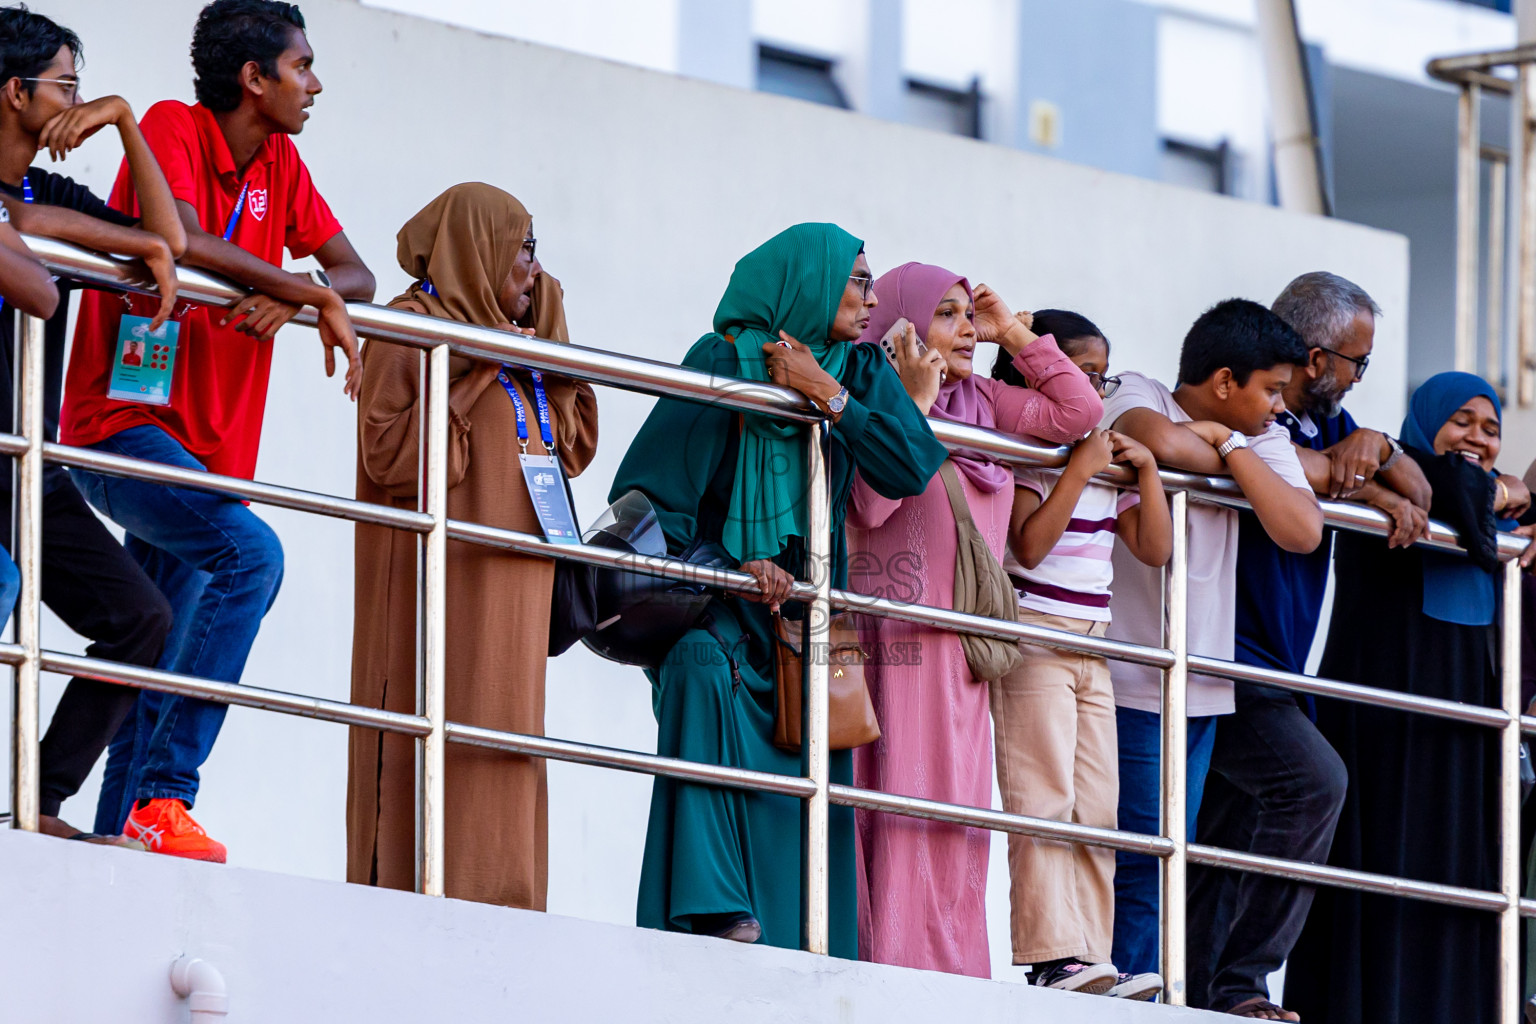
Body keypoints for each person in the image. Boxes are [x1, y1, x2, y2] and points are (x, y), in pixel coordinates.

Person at [59, 0, 375, 862]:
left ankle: (123, 836)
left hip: (210, 455)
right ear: (254, 79)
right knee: (253, 557)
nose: (315, 83)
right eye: (302, 66)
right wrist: (307, 293)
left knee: (160, 646)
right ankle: (167, 796)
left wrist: (299, 287)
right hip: (122, 426)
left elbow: (359, 273)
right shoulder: (172, 126)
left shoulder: (282, 160)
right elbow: (185, 238)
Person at [609, 223, 947, 956]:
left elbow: (911, 466)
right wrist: (739, 560)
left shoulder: (855, 371)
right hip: (723, 605)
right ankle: (710, 909)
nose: (869, 295)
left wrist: (827, 395)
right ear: (808, 282)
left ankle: (802, 940)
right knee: (698, 667)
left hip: (805, 619)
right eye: (856, 280)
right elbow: (650, 496)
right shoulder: (723, 360)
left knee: (811, 757)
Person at [1187, 273, 1433, 1020]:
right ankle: (1240, 983)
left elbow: (1418, 495)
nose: (1362, 376)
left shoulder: (1333, 420)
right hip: (1220, 658)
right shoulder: (1252, 416)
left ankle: (1209, 997)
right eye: (1358, 361)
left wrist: (1381, 449)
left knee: (1225, 846)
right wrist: (1358, 486)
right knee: (1314, 783)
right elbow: (1302, 481)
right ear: (1318, 359)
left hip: (1277, 668)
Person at [844, 269, 1101, 978]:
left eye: (967, 315)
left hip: (964, 648)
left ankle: (955, 972)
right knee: (902, 801)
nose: (964, 329)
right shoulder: (870, 395)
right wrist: (914, 406)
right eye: (946, 314)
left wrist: (1012, 331)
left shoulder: (982, 401)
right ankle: (897, 965)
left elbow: (1077, 414)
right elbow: (867, 506)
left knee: (960, 815)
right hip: (897, 638)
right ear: (900, 324)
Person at [348, 183, 598, 908]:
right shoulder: (411, 325)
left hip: (516, 583)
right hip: (441, 585)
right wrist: (475, 371)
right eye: (523, 249)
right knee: (439, 722)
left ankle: (508, 896)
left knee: (508, 735)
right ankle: (421, 884)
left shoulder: (515, 336)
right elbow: (392, 460)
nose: (534, 268)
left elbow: (575, 442)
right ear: (481, 250)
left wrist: (537, 325)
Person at [1287, 373, 1534, 1024]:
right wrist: (1516, 489)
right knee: (1379, 895)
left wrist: (1513, 495)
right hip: (1385, 741)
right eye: (1462, 420)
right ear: (1427, 423)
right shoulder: (1396, 471)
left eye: (1491, 428)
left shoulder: (1498, 521)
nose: (1477, 438)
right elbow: (1450, 487)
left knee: (1463, 901)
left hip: (1467, 751)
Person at [0, 4, 186, 846]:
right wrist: (62, 239)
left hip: (30, 468)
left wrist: (121, 119)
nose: (74, 99)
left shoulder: (45, 189)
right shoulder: (27, 205)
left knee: (141, 617)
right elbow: (35, 271)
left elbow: (165, 238)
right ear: (15, 93)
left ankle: (38, 798)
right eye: (66, 86)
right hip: (3, 458)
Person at [1100, 299, 1322, 986]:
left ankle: (1149, 991)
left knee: (1172, 855)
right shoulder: (1139, 390)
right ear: (1226, 382)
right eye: (1272, 390)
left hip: (1200, 687)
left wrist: (1226, 447)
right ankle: (1127, 995)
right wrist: (1235, 455)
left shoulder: (1260, 436)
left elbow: (1301, 528)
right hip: (1133, 677)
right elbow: (1157, 442)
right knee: (1139, 857)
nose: (1280, 408)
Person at [987, 310, 1172, 1000]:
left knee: (1099, 805)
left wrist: (1146, 473)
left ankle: (1093, 953)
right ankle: (1051, 954)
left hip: (1093, 647)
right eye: (1081, 376)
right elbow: (1028, 546)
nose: (1093, 394)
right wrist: (1081, 467)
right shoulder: (1030, 451)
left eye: (1101, 377)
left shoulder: (1103, 460)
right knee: (1044, 797)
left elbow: (1154, 549)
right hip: (1036, 634)